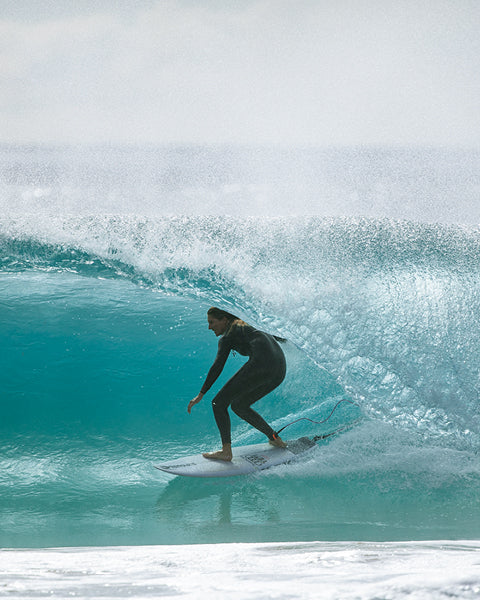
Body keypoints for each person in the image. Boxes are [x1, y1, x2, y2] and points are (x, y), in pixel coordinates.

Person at [188, 307, 288, 461]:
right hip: (279, 368)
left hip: (262, 363)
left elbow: (217, 366)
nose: (209, 327)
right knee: (239, 406)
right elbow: (277, 337)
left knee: (218, 403)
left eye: (212, 322)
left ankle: (226, 451)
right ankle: (275, 438)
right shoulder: (249, 324)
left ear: (224, 320)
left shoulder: (228, 337)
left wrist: (201, 394)